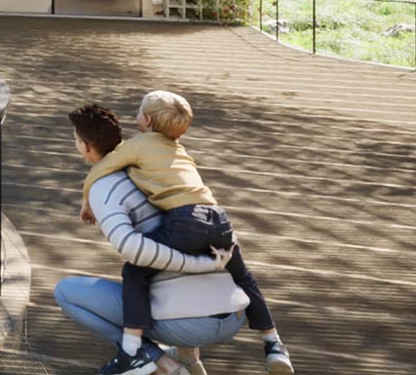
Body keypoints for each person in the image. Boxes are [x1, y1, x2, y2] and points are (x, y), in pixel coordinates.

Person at [80, 92, 291, 374]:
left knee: (135, 273)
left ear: (148, 120)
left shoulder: (139, 144)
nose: (135, 117)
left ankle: (131, 350)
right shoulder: (179, 149)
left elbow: (101, 168)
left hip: (185, 220)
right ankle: (273, 343)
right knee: (243, 276)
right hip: (219, 218)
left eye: (139, 113)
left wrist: (86, 202)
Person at [58, 103, 248, 375]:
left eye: (76, 140)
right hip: (233, 313)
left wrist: (200, 265)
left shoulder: (105, 187)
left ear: (85, 146)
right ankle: (187, 360)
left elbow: (134, 250)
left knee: (67, 292)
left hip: (192, 323)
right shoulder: (155, 168)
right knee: (156, 271)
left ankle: (156, 361)